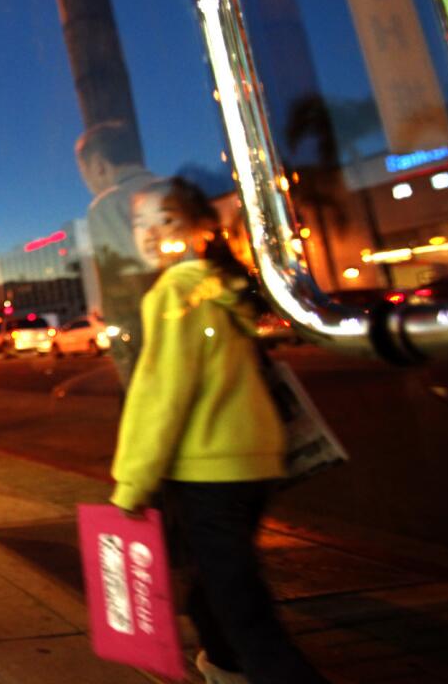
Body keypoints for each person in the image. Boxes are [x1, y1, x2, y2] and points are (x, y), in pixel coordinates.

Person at [110, 177, 329, 684]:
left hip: (207, 469)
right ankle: (225, 667)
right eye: (141, 221)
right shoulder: (224, 287)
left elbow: (161, 394)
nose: (149, 232)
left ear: (197, 228)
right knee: (214, 579)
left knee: (241, 604)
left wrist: (132, 483)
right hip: (254, 462)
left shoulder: (174, 292)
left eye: (165, 219)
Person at [76, 121, 158, 391]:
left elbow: (125, 295)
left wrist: (130, 372)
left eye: (84, 172)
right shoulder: (176, 191)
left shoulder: (108, 206)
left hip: (157, 351)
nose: (86, 182)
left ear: (98, 165)